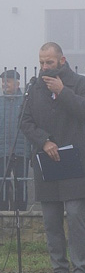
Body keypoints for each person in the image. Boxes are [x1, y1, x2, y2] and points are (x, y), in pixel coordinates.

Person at [19, 43, 85, 273]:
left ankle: (80, 269)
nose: (44, 67)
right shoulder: (34, 88)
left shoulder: (82, 84)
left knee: (75, 218)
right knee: (51, 222)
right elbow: (25, 121)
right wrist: (44, 141)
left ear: (62, 60)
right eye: (41, 62)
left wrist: (63, 91)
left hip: (73, 162)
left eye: (49, 62)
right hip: (46, 161)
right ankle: (60, 270)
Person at [1, 69, 27, 211]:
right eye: (3, 82)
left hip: (21, 149)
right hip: (2, 149)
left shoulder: (25, 102)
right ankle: (3, 211)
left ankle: (21, 212)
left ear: (17, 84)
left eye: (8, 81)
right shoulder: (0, 102)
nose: (5, 84)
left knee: (21, 183)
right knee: (2, 182)